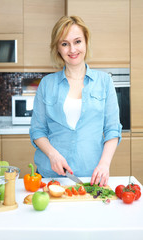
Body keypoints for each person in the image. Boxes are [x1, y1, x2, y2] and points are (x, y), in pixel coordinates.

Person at [30, 16, 122, 186]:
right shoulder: (47, 84)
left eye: (77, 41)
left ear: (86, 42)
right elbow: (37, 131)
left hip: (91, 177)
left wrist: (104, 164)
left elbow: (112, 130)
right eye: (64, 44)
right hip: (50, 177)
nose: (72, 49)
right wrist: (52, 155)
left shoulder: (104, 82)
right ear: (57, 48)